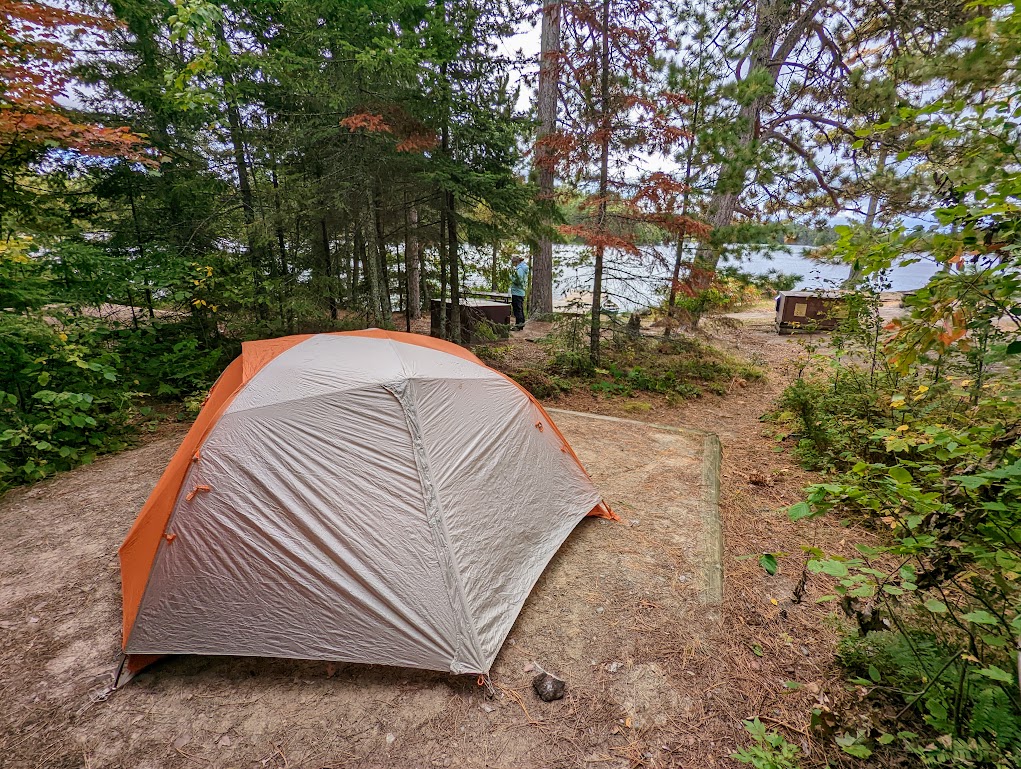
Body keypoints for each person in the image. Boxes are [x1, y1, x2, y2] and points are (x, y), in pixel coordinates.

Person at [510, 254, 529, 330]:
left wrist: (511, 277)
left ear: (516, 262)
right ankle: (521, 324)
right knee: (519, 308)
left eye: (513, 262)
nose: (513, 264)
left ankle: (518, 325)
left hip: (517, 292)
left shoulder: (520, 269)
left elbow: (519, 280)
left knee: (517, 309)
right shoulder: (521, 268)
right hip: (520, 292)